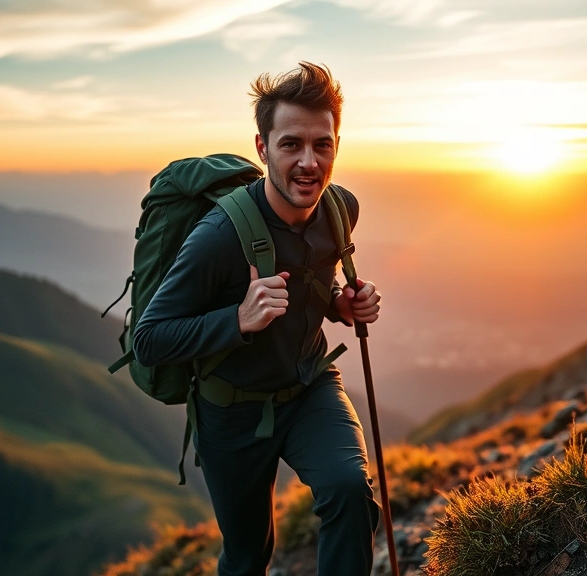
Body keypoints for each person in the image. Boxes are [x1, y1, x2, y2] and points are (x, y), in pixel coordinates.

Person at [132, 62, 382, 576]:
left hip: (310, 387)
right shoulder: (217, 237)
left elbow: (314, 281)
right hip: (231, 411)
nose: (309, 162)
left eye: (323, 144)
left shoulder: (341, 209)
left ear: (338, 145)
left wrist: (340, 305)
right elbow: (149, 340)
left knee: (349, 488)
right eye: (291, 144)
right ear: (263, 148)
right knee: (247, 557)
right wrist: (238, 319)